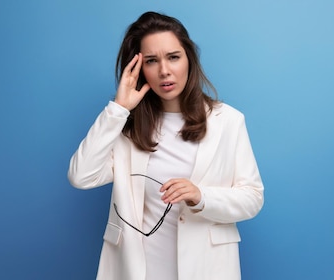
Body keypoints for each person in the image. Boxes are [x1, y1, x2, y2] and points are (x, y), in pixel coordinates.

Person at [67, 11, 264, 280]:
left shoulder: (227, 121)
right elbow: (81, 176)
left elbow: (252, 198)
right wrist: (119, 108)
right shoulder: (126, 126)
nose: (164, 71)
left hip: (205, 268)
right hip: (138, 270)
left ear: (189, 60)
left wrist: (200, 195)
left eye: (173, 57)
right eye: (151, 61)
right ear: (138, 69)